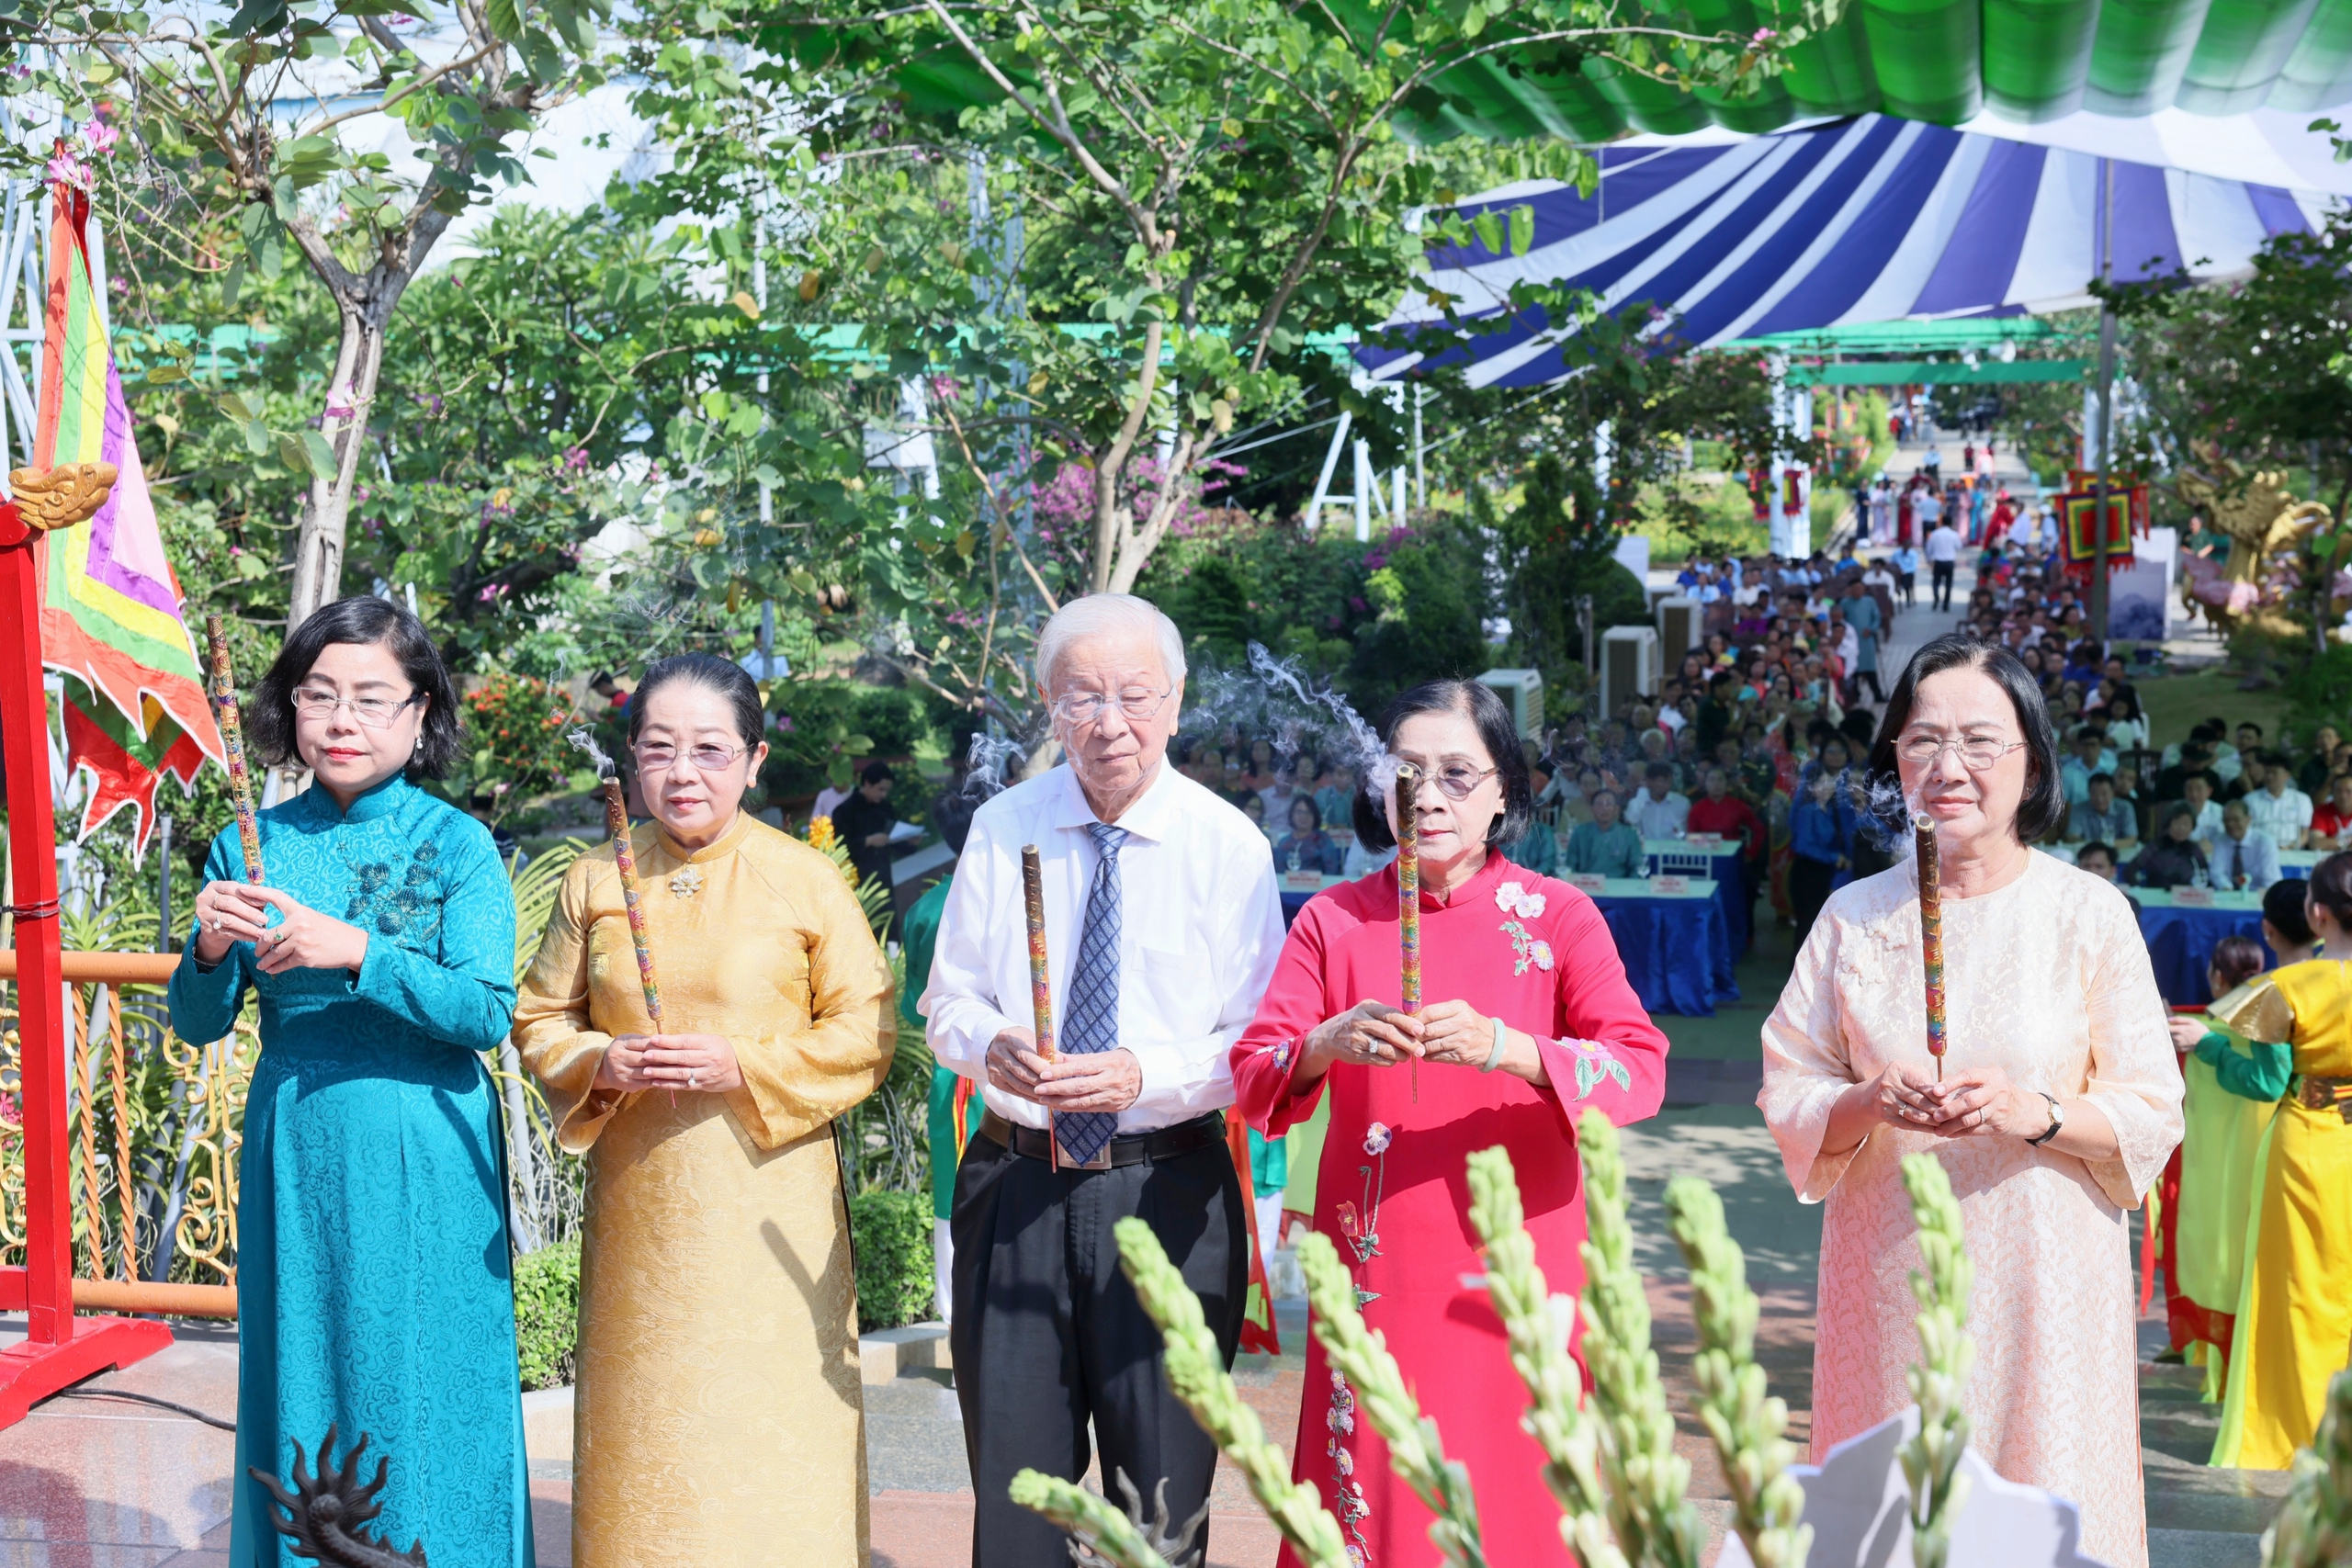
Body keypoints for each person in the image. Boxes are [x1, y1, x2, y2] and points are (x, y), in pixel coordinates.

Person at [1758, 634, 2180, 1568]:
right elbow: (1789, 1082)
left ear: (2031, 762)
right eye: (1922, 740)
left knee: (2043, 1497)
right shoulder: (1853, 917)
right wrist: (1870, 1100)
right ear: (1894, 758)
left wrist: (2039, 1114)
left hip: (2046, 1282)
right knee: (1897, 1514)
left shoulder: (2087, 914)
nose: (1948, 767)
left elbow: (2153, 1105)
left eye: (1980, 741)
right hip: (1893, 1274)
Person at [1231, 679, 1670, 1567]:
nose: (1427, 796)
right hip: (1376, 1263)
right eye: (1406, 772)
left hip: (1519, 1260)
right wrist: (1324, 1041)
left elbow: (1640, 1066)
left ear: (1504, 790)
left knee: (1520, 1483)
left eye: (1457, 774)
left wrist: (1509, 1046)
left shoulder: (1558, 917)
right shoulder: (1333, 920)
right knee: (1378, 1484)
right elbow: (1253, 1072)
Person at [920, 594, 1285, 1567]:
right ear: (1048, 703)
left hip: (1166, 1191)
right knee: (1017, 1500)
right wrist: (990, 1041)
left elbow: (1258, 1041)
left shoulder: (1228, 846)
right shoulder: (1004, 826)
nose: (1109, 722)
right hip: (1016, 1186)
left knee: (1160, 1501)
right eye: (1083, 696)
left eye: (1134, 695)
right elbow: (947, 1003)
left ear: (1176, 702)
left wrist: (1141, 1074)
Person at [168, 598, 534, 1566]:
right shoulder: (250, 845)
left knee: (429, 1372)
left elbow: (485, 1012)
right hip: (297, 1141)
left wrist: (360, 951)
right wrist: (209, 945)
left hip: (426, 1143)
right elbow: (198, 1022)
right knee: (305, 1362)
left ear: (422, 713)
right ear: (289, 707)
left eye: (372, 699)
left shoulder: (455, 843)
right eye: (319, 694)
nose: (341, 720)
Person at [514, 653, 894, 1564]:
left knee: (771, 1420)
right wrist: (603, 1058)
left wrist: (741, 1063)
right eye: (659, 749)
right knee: (646, 1423)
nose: (682, 772)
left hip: (769, 1203)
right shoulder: (596, 880)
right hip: (641, 1210)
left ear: (754, 761)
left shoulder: (804, 878)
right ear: (633, 759)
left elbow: (866, 1033)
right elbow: (539, 1019)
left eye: (710, 750)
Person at [2203, 855, 2352, 1468]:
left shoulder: (2283, 987)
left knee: (2293, 1293)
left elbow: (2262, 1075)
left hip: (2305, 1145)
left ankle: (2297, 1428)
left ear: (2317, 913)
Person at [2166, 905, 2301, 1381]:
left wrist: (2209, 1044)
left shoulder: (2276, 995)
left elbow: (2268, 1080)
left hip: (2288, 1143)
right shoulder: (2312, 988)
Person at [910, 795, 982, 1321]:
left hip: (950, 1073)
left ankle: (956, 1321)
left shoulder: (924, 910)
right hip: (1020, 1069)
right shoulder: (1021, 896)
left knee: (952, 1192)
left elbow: (917, 1006)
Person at [1787, 767, 1849, 945]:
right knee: (1806, 926)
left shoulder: (1831, 811)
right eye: (1822, 782)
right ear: (1811, 787)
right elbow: (1803, 846)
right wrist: (1834, 858)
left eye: (1830, 782)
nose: (1827, 786)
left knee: (1819, 926)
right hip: (1806, 874)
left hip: (1824, 874)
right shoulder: (1807, 811)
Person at [832, 759, 901, 891]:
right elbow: (841, 848)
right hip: (857, 878)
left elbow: (893, 839)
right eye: (880, 789)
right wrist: (868, 841)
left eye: (887, 791)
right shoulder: (844, 811)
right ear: (867, 783)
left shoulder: (885, 808)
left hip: (883, 877)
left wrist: (909, 842)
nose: (883, 795)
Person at [1566, 787, 1647, 879]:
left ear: (1617, 809)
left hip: (1619, 885)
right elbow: (1571, 865)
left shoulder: (1629, 835)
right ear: (1592, 809)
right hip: (1586, 884)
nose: (1604, 809)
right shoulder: (1580, 832)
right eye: (1599, 804)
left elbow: (1636, 867)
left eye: (1609, 804)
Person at [2128, 804, 2212, 890]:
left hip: (2186, 895)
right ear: (2168, 823)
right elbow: (2130, 870)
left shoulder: (2194, 850)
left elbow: (2205, 879)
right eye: (2177, 823)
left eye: (2186, 824)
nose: (2181, 828)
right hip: (2157, 895)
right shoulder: (2155, 845)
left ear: (2192, 827)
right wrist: (2138, 890)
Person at [2208, 800, 2282, 892]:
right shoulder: (2220, 840)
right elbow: (2216, 873)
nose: (2230, 824)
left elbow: (2270, 878)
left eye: (2236, 819)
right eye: (2226, 820)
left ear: (2248, 819)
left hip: (2259, 893)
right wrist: (2226, 888)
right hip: (2229, 893)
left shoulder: (2265, 842)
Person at [2245, 755, 2314, 851]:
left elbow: (2305, 834)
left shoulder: (2302, 800)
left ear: (2287, 775)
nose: (2269, 776)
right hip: (2259, 850)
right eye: (2267, 772)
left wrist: (2289, 847)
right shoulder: (2250, 800)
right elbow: (2245, 832)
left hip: (2292, 852)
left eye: (2274, 773)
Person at [1275, 792, 1344, 876]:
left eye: (1308, 812)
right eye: (1299, 812)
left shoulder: (1323, 839)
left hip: (1320, 884)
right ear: (1292, 815)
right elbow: (1279, 873)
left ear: (1315, 816)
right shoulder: (1284, 842)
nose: (1303, 816)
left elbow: (1331, 871)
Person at [2069, 773, 2138, 847]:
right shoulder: (2079, 809)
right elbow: (2071, 837)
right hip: (2089, 851)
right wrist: (2096, 846)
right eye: (2094, 793)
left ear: (2113, 792)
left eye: (2104, 794)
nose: (2100, 799)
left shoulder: (2125, 808)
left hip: (2119, 851)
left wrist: (2107, 844)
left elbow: (2132, 839)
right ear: (2088, 792)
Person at [1629, 760, 1690, 840]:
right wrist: (1642, 794)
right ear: (1649, 781)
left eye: (1669, 782)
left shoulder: (1682, 803)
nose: (1667, 785)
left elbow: (1688, 832)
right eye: (1663, 781)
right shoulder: (1636, 803)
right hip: (1647, 847)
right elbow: (1632, 821)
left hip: (1675, 847)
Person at [1924, 515, 1962, 612]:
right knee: (1948, 584)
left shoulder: (1935, 534)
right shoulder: (1954, 534)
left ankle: (1936, 597)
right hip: (1949, 562)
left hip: (1938, 562)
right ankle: (1946, 603)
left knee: (1936, 582)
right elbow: (1959, 547)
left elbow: (1928, 548)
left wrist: (1929, 560)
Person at [2311, 774, 2352, 850]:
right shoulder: (2321, 812)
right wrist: (2346, 842)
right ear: (2332, 792)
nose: (2343, 796)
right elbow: (2316, 843)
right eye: (2338, 791)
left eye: (2348, 791)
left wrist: (2333, 843)